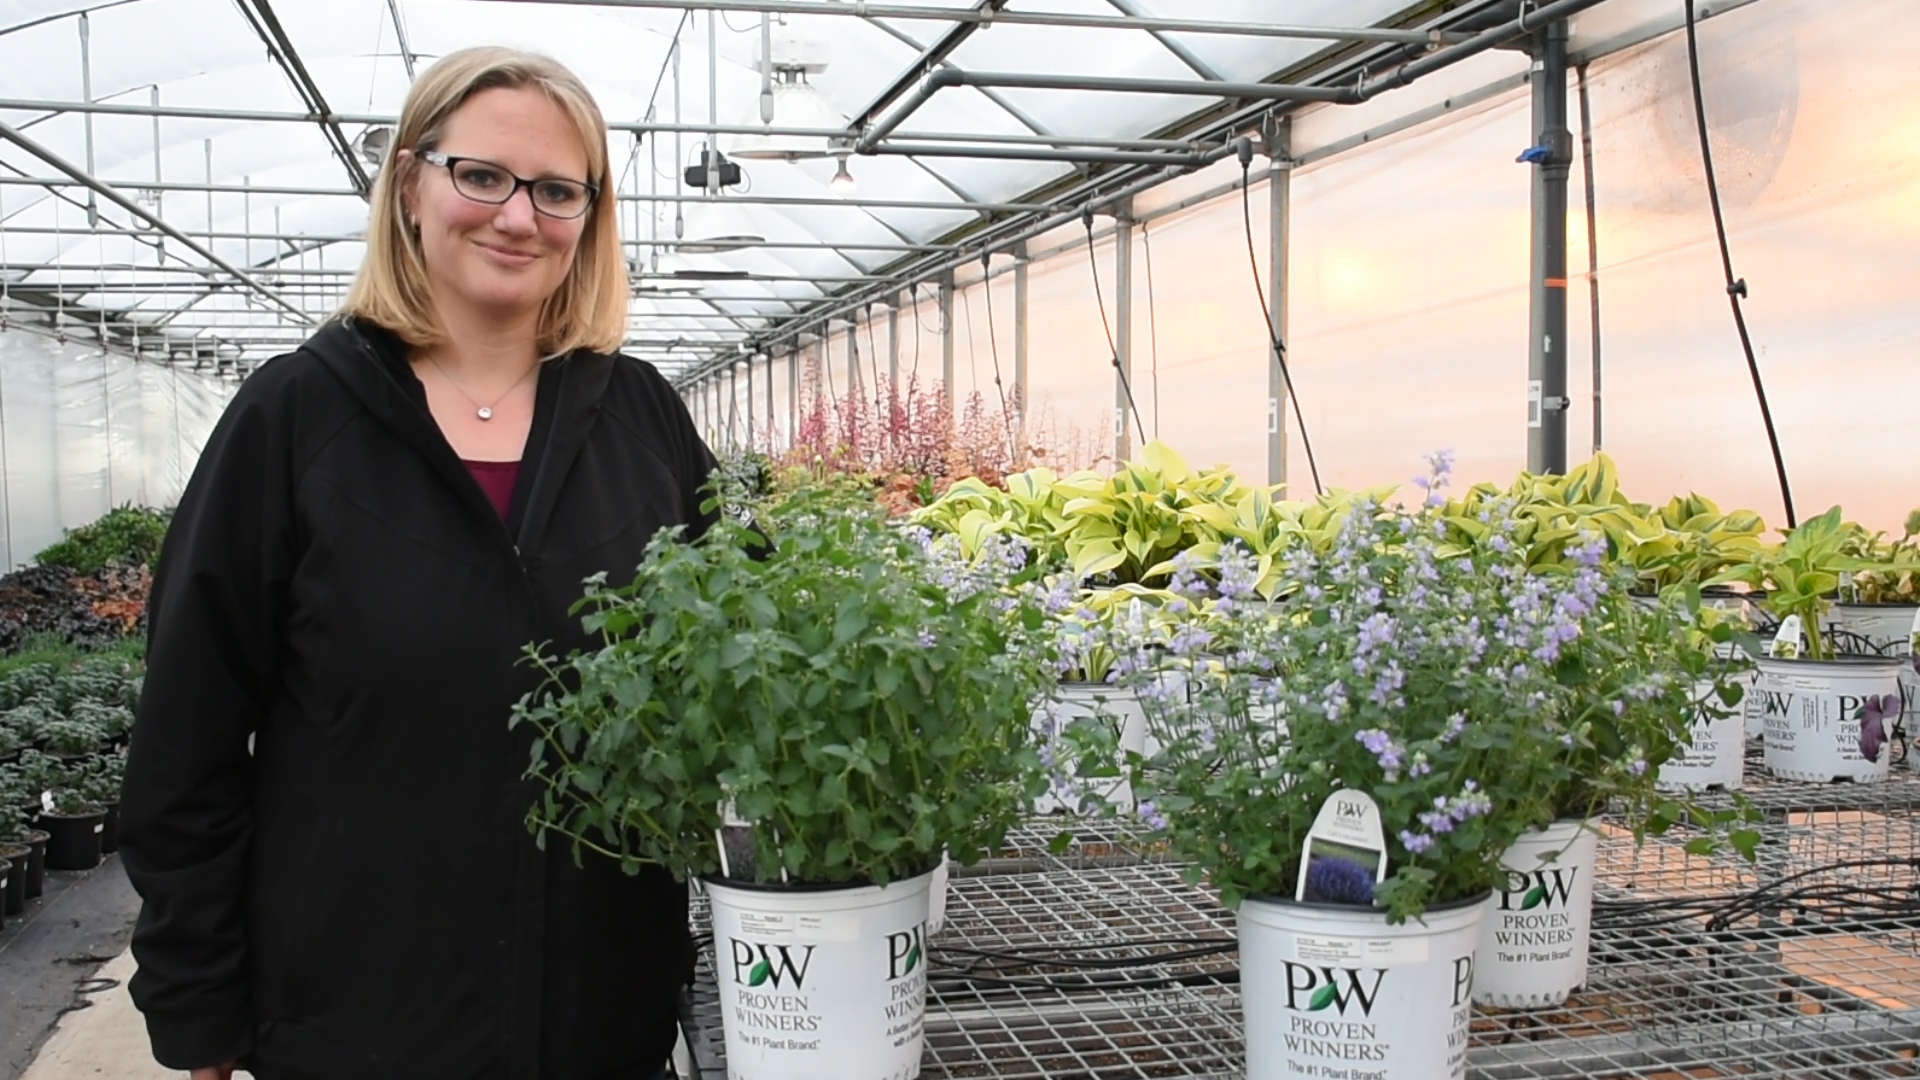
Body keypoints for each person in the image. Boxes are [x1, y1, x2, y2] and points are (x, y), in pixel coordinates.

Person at [117, 46, 717, 1080]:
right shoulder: (295, 417)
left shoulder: (642, 420)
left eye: (557, 189)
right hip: (356, 1021)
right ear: (410, 184)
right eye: (480, 175)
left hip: (603, 1020)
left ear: (591, 214)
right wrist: (198, 1005)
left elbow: (750, 664)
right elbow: (188, 738)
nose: (517, 216)